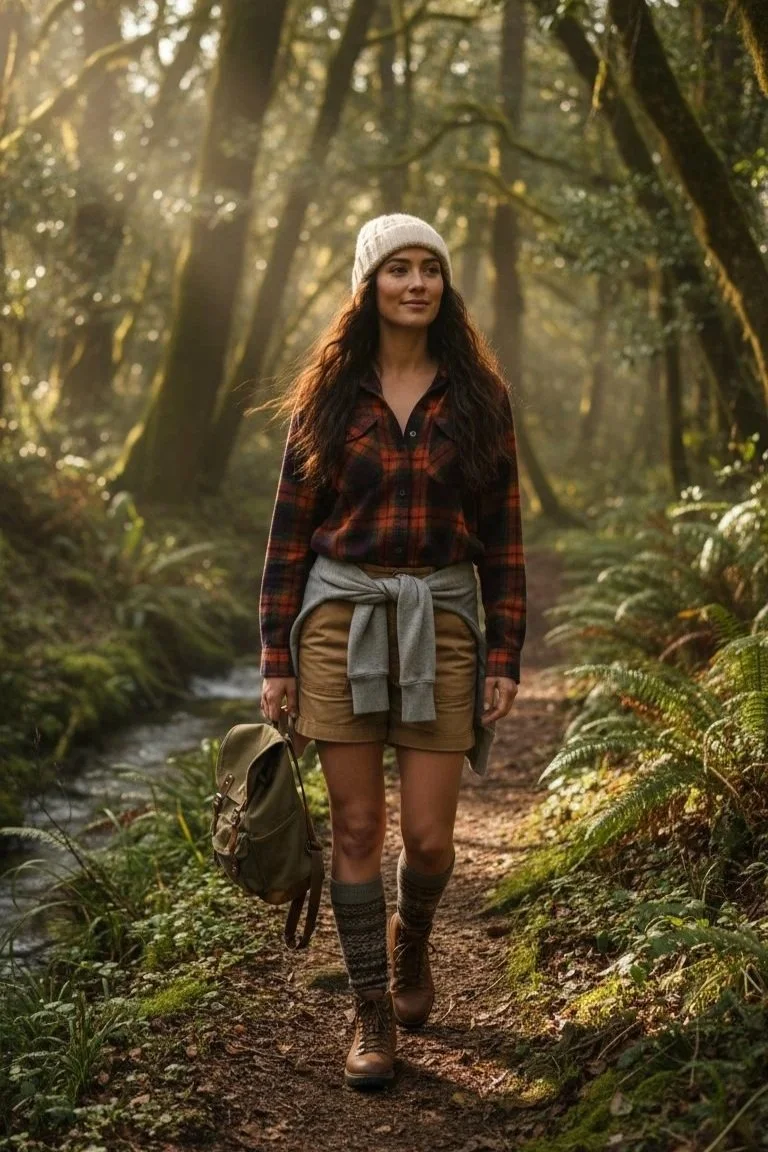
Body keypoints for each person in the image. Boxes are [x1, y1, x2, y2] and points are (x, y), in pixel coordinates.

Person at [258, 213, 526, 1090]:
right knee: (361, 826)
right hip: (341, 614)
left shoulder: (481, 399)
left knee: (432, 839)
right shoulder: (327, 401)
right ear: (367, 286)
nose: (416, 284)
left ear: (445, 287)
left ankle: (412, 939)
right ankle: (372, 1008)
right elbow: (289, 536)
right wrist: (276, 657)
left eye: (430, 270)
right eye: (397, 269)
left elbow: (504, 534)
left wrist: (503, 653)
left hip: (443, 618)